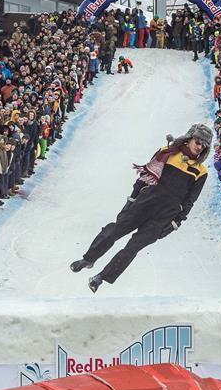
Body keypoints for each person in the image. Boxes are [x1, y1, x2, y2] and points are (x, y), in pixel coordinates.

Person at [71, 124, 212, 292]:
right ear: (189, 139)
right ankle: (88, 259)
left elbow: (190, 201)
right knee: (114, 230)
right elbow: (145, 177)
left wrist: (175, 224)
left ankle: (101, 277)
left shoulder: (200, 171)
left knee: (133, 248)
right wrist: (131, 199)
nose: (199, 147)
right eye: (198, 141)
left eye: (204, 145)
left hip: (164, 216)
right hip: (144, 204)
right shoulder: (167, 152)